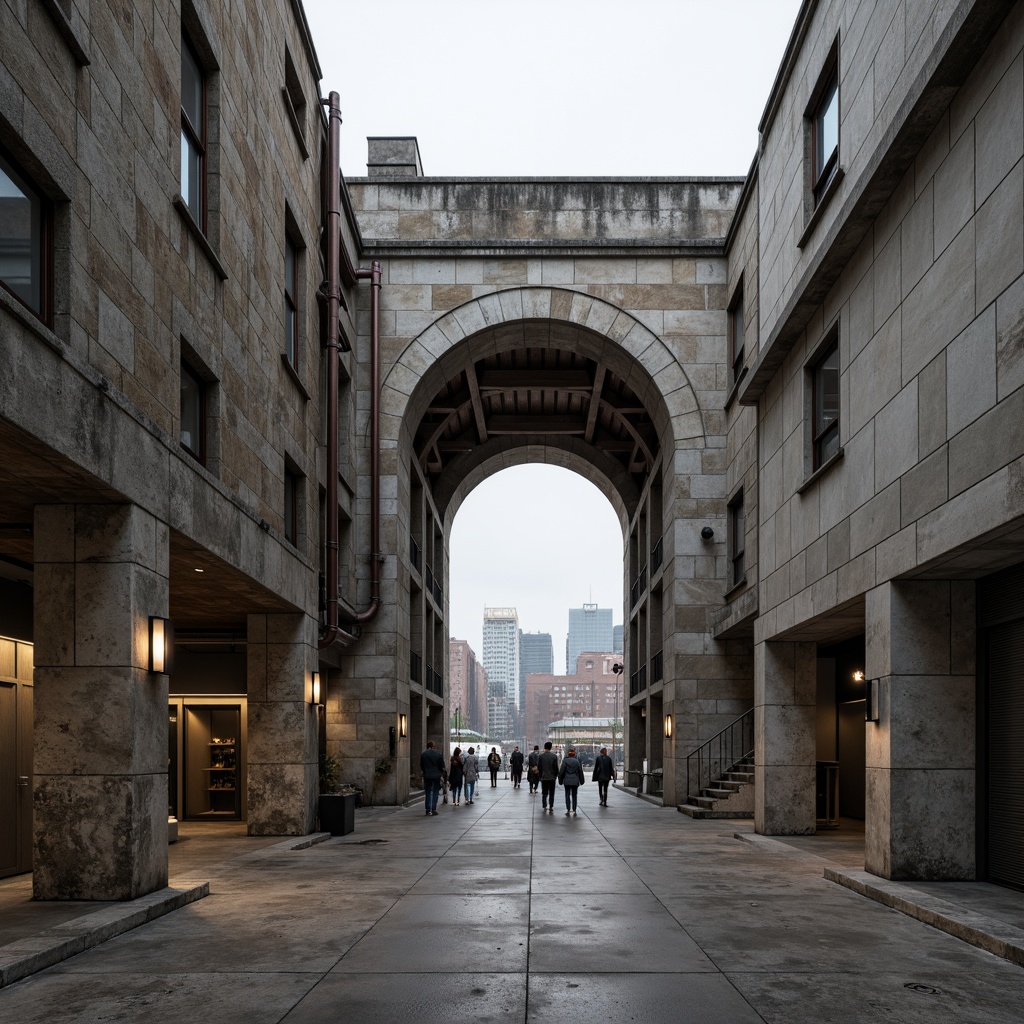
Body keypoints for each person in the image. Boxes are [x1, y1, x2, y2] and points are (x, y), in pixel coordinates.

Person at [420, 741, 447, 816]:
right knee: (435, 792)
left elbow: (422, 765)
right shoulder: (438, 754)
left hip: (427, 775)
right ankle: (433, 808)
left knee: (428, 792)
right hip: (436, 775)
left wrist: (425, 771)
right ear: (433, 746)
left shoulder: (423, 754)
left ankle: (428, 809)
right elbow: (441, 766)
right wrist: (441, 774)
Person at [558, 746, 585, 816]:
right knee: (574, 795)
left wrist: (560, 780)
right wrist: (582, 781)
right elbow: (580, 772)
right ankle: (574, 809)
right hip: (575, 780)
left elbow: (561, 772)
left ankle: (568, 808)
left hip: (567, 780)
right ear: (574, 754)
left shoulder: (565, 761)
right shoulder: (577, 761)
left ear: (568, 754)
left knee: (567, 794)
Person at [538, 741, 559, 813]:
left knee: (544, 793)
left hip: (544, 777)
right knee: (552, 793)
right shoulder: (554, 756)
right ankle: (551, 805)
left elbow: (539, 768)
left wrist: (540, 776)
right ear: (551, 747)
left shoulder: (541, 756)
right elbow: (556, 767)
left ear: (544, 747)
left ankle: (544, 804)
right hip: (552, 778)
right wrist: (556, 775)